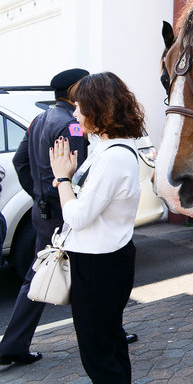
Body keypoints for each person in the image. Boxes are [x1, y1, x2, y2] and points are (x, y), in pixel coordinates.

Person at [48, 72, 145, 383]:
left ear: (97, 108)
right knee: (109, 343)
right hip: (103, 258)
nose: (75, 113)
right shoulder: (108, 149)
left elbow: (77, 217)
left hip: (99, 263)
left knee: (98, 352)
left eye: (79, 107)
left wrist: (63, 179)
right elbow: (90, 203)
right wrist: (70, 182)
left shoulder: (113, 157)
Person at [0, 68, 89, 366]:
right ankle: (104, 334)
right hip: (64, 213)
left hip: (44, 212)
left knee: (38, 279)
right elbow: (77, 175)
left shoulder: (40, 119)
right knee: (90, 273)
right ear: (74, 90)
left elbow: (20, 161)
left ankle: (12, 345)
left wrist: (37, 194)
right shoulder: (71, 125)